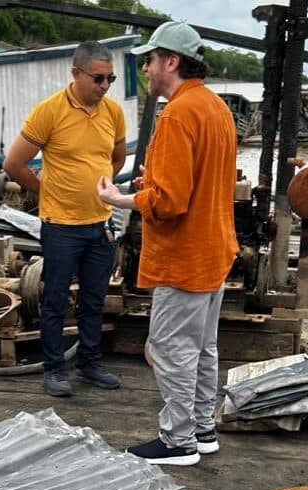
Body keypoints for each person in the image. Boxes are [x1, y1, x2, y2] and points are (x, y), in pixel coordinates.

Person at [97, 21, 238, 466]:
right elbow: (198, 181)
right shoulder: (215, 107)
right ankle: (202, 428)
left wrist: (122, 197)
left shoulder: (177, 113)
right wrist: (152, 180)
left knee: (169, 348)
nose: (146, 69)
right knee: (202, 346)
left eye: (150, 60)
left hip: (184, 254)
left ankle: (178, 441)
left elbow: (172, 203)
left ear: (171, 62)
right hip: (214, 249)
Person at [4, 41, 127, 398]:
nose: (104, 86)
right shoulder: (50, 111)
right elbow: (14, 164)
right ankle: (54, 368)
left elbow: (116, 158)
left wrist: (99, 183)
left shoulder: (113, 112)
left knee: (94, 298)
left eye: (110, 79)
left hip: (100, 222)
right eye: (98, 78)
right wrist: (49, 191)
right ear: (76, 73)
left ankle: (89, 363)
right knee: (56, 298)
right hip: (61, 225)